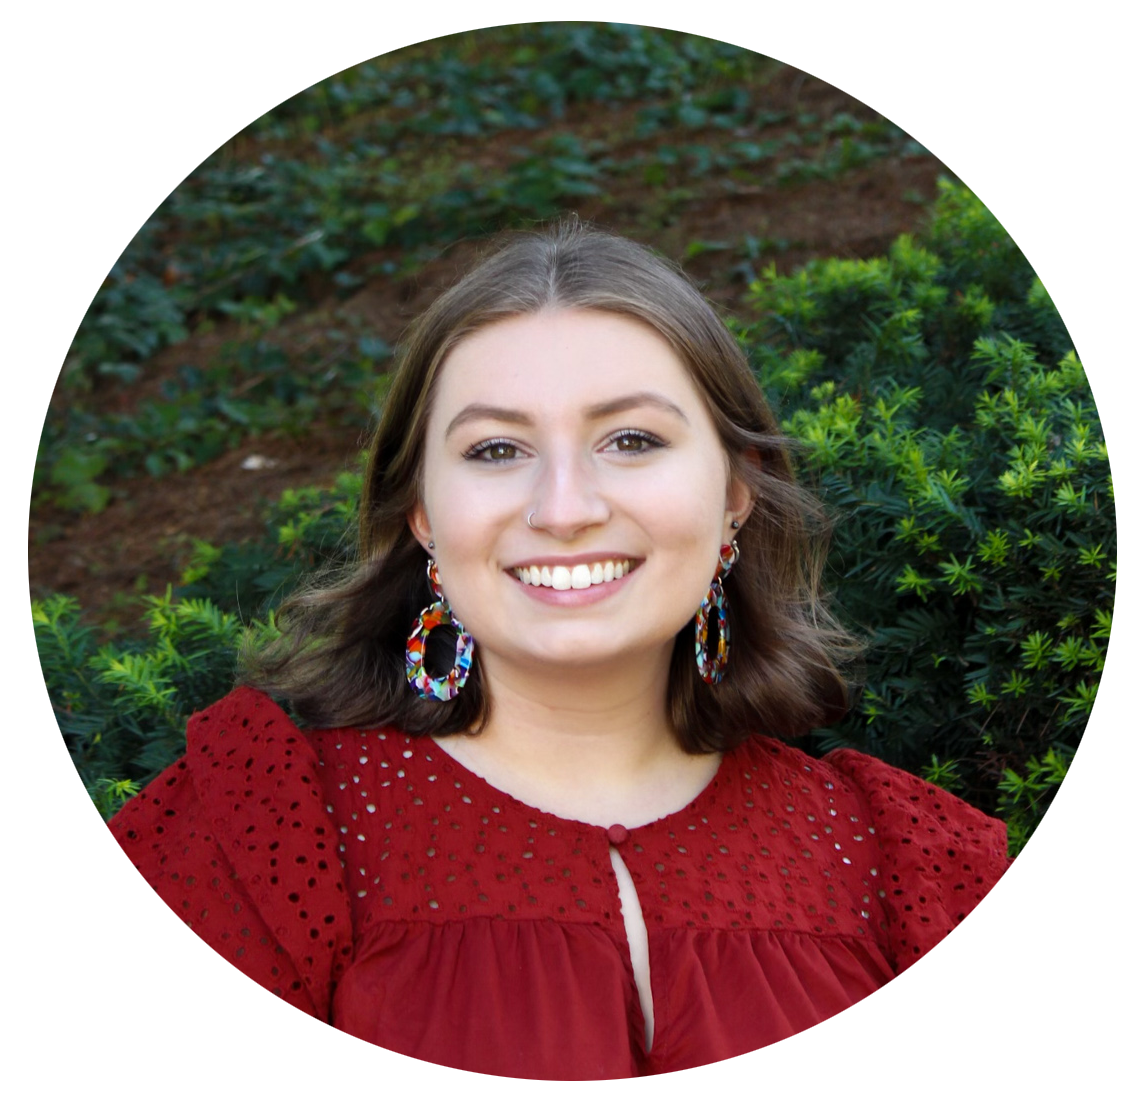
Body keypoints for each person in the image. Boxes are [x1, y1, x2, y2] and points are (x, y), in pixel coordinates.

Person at [109, 220, 1011, 1078]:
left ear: (735, 493)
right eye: (496, 449)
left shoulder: (901, 860)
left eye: (631, 440)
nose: (564, 507)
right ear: (422, 514)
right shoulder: (261, 831)